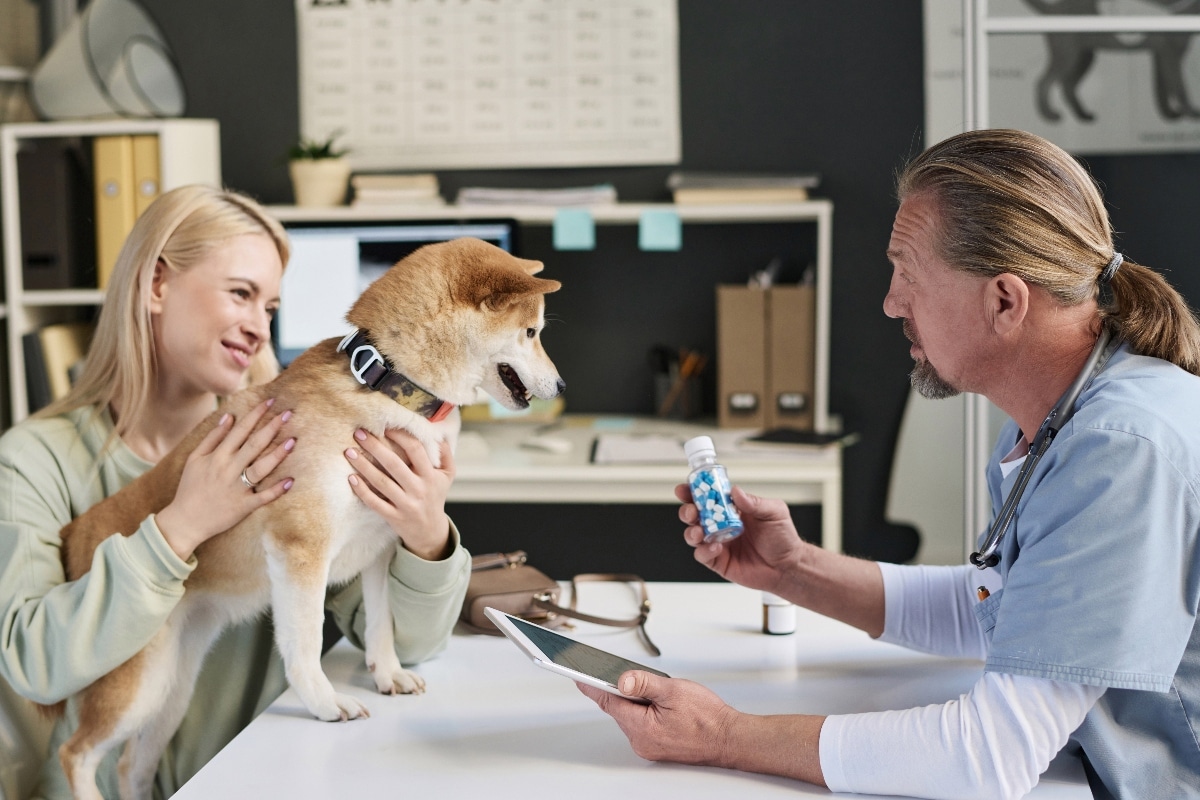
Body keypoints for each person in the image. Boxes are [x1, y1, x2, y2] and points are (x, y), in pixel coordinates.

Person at [578, 129, 1200, 800]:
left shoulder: (1120, 453)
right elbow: (1009, 611)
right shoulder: (1057, 420)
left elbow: (988, 757)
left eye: (909, 273)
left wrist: (721, 735)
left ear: (1004, 301)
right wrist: (794, 570)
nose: (890, 301)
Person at [0, 185, 471, 800]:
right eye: (240, 294)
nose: (258, 327)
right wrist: (180, 525)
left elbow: (408, 647)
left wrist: (425, 537)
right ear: (156, 284)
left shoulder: (289, 435)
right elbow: (32, 667)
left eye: (270, 306)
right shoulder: (31, 460)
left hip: (256, 782)